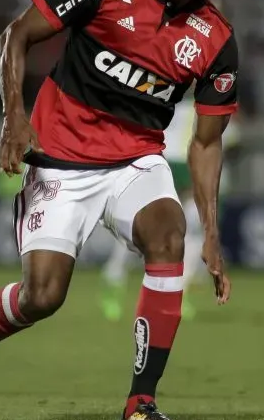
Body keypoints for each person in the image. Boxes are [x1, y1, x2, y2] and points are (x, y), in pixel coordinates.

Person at [0, 0, 239, 420]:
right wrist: (13, 115)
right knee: (44, 297)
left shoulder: (215, 39)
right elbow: (17, 33)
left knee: (170, 239)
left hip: (135, 160)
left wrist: (211, 233)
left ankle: (140, 404)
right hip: (60, 157)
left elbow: (206, 143)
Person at [98, 93, 241, 322]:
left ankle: (175, 293)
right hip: (178, 161)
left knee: (190, 229)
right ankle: (115, 277)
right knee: (151, 230)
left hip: (177, 159)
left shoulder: (178, 100)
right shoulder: (211, 106)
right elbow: (232, 145)